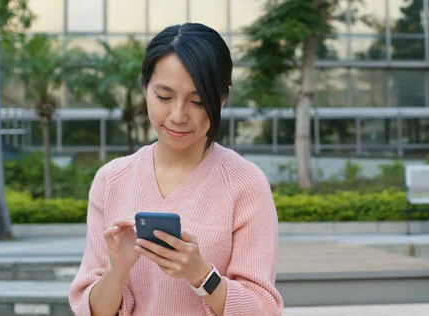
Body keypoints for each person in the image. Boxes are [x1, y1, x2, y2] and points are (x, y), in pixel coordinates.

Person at [68, 23, 284, 316]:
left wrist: (202, 275)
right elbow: (89, 310)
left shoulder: (245, 184)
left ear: (222, 99)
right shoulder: (111, 180)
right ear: (145, 88)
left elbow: (263, 308)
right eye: (164, 97)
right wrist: (117, 272)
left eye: (197, 101)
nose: (178, 116)